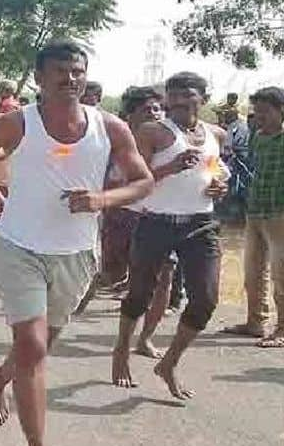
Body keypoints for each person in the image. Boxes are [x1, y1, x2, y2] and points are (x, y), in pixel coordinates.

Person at [0, 41, 153, 446]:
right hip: (19, 247)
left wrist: (101, 200)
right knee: (33, 348)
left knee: (39, 347)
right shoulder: (14, 124)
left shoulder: (110, 127)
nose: (70, 78)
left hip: (77, 254)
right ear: (39, 79)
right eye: (60, 71)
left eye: (77, 70)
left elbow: (144, 181)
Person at [112, 72, 229, 400]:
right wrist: (171, 167)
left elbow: (215, 171)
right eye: (172, 94)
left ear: (202, 98)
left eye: (186, 94)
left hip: (201, 223)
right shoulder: (152, 132)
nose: (177, 100)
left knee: (205, 299)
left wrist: (220, 186)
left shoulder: (216, 134)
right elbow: (136, 179)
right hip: (157, 222)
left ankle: (169, 363)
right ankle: (121, 349)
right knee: (139, 294)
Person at [98, 86, 172, 358]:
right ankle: (79, 295)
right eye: (146, 109)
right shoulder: (117, 139)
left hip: (157, 217)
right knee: (113, 274)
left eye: (157, 108)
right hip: (122, 215)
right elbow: (121, 179)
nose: (154, 113)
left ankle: (145, 338)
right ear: (131, 115)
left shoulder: (169, 139)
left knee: (162, 279)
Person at [222, 87, 284, 346]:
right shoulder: (257, 137)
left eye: (265, 112)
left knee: (281, 274)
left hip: (280, 213)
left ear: (281, 111)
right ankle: (255, 322)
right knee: (253, 270)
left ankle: (282, 329)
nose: (259, 117)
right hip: (256, 211)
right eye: (256, 112)